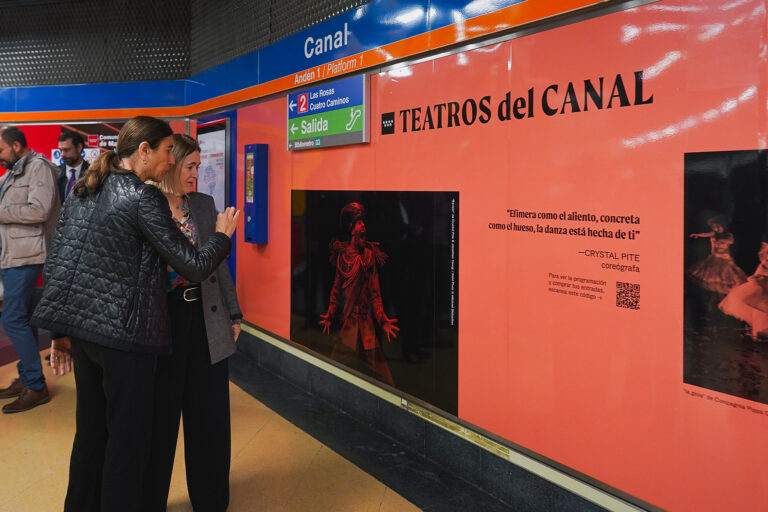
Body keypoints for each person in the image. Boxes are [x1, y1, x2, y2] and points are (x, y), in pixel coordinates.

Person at [30, 116, 239, 512]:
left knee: (91, 436)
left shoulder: (86, 188)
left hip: (86, 333)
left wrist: (59, 333)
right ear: (144, 150)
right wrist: (223, 237)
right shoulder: (143, 198)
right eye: (165, 152)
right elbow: (193, 265)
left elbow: (60, 262)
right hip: (125, 337)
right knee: (128, 442)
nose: (168, 161)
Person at [143, 133, 242, 512]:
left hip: (206, 318)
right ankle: (150, 499)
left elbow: (219, 263)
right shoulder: (144, 206)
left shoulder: (203, 204)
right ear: (170, 163)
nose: (196, 176)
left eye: (199, 168)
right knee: (160, 419)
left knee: (210, 418)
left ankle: (211, 500)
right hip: (161, 324)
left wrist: (234, 312)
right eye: (190, 167)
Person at [0, 126, 60, 413]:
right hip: (12, 255)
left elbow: (40, 211)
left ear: (16, 145)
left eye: (1, 150)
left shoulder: (38, 168)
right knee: (23, 317)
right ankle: (27, 379)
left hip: (27, 256)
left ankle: (36, 386)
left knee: (12, 319)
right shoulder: (14, 171)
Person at [319, 202, 399, 386]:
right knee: (333, 374)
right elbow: (336, 289)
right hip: (348, 327)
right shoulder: (343, 256)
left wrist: (382, 319)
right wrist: (331, 313)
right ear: (350, 228)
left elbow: (375, 293)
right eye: (358, 222)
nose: (363, 226)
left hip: (366, 328)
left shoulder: (370, 256)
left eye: (363, 221)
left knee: (386, 381)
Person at [719, 242, 768, 340]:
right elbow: (757, 276)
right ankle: (761, 331)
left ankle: (762, 330)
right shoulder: (763, 265)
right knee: (760, 311)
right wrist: (757, 278)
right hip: (762, 294)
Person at [688, 216, 746, 295]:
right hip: (714, 256)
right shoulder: (713, 234)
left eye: (718, 227)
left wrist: (721, 241)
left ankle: (728, 291)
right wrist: (697, 235)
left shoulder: (728, 235)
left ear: (724, 226)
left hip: (725, 258)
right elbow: (705, 234)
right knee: (712, 275)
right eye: (714, 227)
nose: (717, 229)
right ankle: (717, 293)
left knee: (726, 275)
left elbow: (731, 241)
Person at [57, 130, 90, 203]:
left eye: (66, 150)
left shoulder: (93, 173)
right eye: (60, 150)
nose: (62, 154)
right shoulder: (55, 172)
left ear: (79, 147)